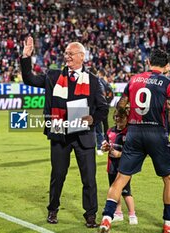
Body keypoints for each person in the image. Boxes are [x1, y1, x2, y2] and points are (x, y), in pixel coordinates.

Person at [21, 36, 109, 228]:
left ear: (81, 57)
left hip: (84, 135)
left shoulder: (93, 81)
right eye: (66, 53)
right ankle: (52, 209)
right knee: (58, 175)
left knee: (89, 178)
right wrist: (26, 57)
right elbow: (29, 79)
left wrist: (93, 119)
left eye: (71, 53)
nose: (67, 56)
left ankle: (90, 215)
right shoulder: (53, 76)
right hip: (60, 132)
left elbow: (103, 108)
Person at [99, 49, 170, 233]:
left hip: (134, 132)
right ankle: (168, 224)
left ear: (149, 62)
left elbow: (121, 105)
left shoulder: (134, 80)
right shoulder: (169, 83)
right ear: (166, 65)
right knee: (169, 178)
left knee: (121, 178)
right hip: (157, 133)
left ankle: (106, 218)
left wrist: (123, 122)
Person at [101, 108, 138, 225]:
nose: (118, 119)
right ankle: (118, 213)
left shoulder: (130, 132)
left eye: (121, 117)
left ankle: (132, 214)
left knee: (126, 192)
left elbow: (133, 152)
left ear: (126, 118)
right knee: (114, 190)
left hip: (124, 168)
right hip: (111, 166)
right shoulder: (110, 131)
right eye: (116, 116)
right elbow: (106, 144)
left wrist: (119, 154)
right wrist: (104, 147)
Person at [95, 69, 112, 155]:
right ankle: (107, 142)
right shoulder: (106, 83)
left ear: (99, 73)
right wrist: (107, 103)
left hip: (97, 108)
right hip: (104, 107)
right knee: (105, 125)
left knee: (97, 127)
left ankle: (99, 146)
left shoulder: (97, 81)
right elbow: (111, 94)